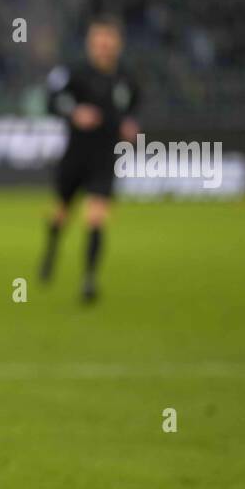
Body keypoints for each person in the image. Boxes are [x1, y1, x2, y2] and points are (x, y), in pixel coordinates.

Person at [40, 16, 140, 303]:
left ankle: (88, 280)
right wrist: (74, 114)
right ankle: (51, 250)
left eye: (109, 41)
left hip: (105, 157)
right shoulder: (73, 73)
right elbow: (50, 101)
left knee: (96, 217)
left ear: (117, 44)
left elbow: (133, 106)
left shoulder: (126, 77)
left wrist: (130, 124)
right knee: (61, 212)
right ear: (90, 43)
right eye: (98, 40)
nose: (104, 46)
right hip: (75, 154)